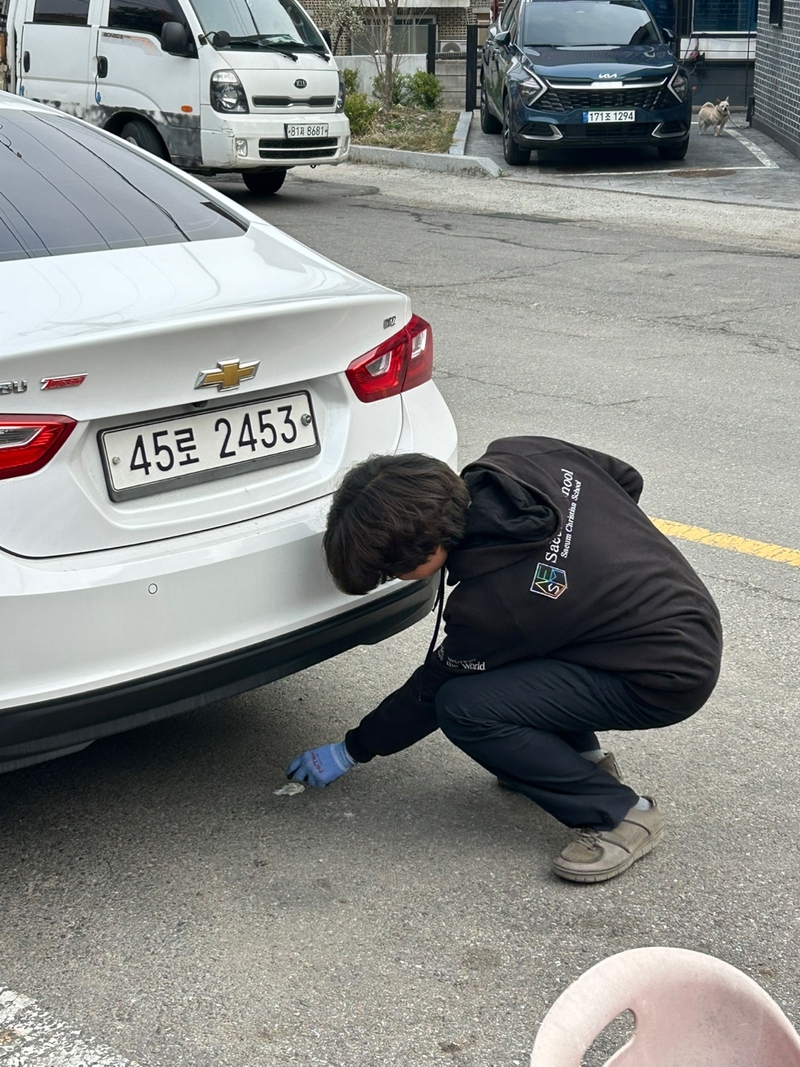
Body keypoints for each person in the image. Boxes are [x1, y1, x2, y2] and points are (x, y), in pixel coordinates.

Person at [286, 437, 722, 883]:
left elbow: (430, 691)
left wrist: (352, 749)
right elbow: (626, 479)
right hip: (686, 608)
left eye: (391, 572)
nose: (394, 579)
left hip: (668, 678)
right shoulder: (519, 458)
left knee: (464, 707)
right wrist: (595, 570)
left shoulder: (494, 603)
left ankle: (620, 814)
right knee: (520, 646)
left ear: (430, 548)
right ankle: (580, 762)